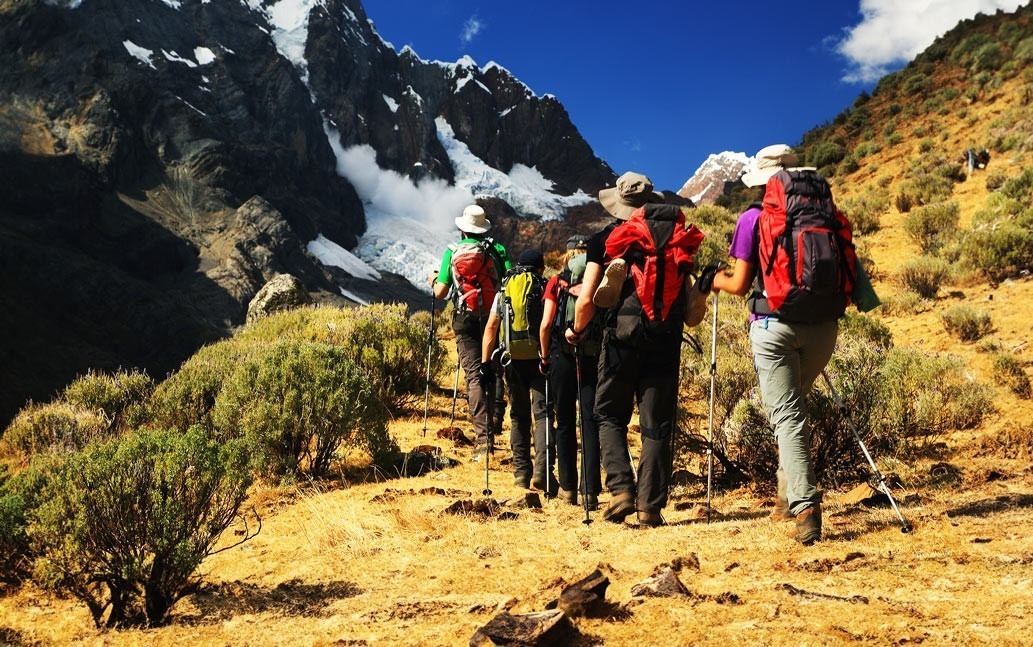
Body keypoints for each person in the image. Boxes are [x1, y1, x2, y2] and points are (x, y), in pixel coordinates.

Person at [711, 144, 847, 545]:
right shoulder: (825, 213)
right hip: (824, 326)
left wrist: (713, 281)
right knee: (794, 409)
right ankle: (786, 499)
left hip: (773, 325)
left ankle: (805, 509)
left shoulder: (752, 218)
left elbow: (739, 285)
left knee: (787, 417)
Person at [567, 172, 703, 527]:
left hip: (620, 337)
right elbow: (688, 305)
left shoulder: (604, 239)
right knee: (656, 425)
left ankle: (621, 490)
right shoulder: (673, 237)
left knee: (609, 414)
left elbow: (586, 299)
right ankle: (649, 508)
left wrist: (576, 331)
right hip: (665, 337)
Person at [430, 205, 512, 460]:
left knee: (474, 376)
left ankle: (484, 441)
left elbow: (441, 292)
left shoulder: (452, 251)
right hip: (493, 318)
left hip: (465, 319)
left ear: (462, 229)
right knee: (494, 368)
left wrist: (434, 280)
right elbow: (509, 281)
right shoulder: (497, 250)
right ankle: (496, 419)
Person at [481, 249, 553, 492]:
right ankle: (543, 471)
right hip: (540, 359)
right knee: (543, 414)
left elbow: (491, 327)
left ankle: (521, 473)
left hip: (512, 360)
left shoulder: (505, 289)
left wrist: (485, 363)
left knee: (519, 416)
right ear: (540, 268)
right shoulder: (544, 286)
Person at [540, 235, 601, 508]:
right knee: (590, 420)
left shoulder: (556, 281)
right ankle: (590, 491)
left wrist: (545, 358)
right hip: (591, 356)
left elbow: (545, 325)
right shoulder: (597, 279)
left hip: (562, 356)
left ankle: (567, 489)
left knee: (564, 421)